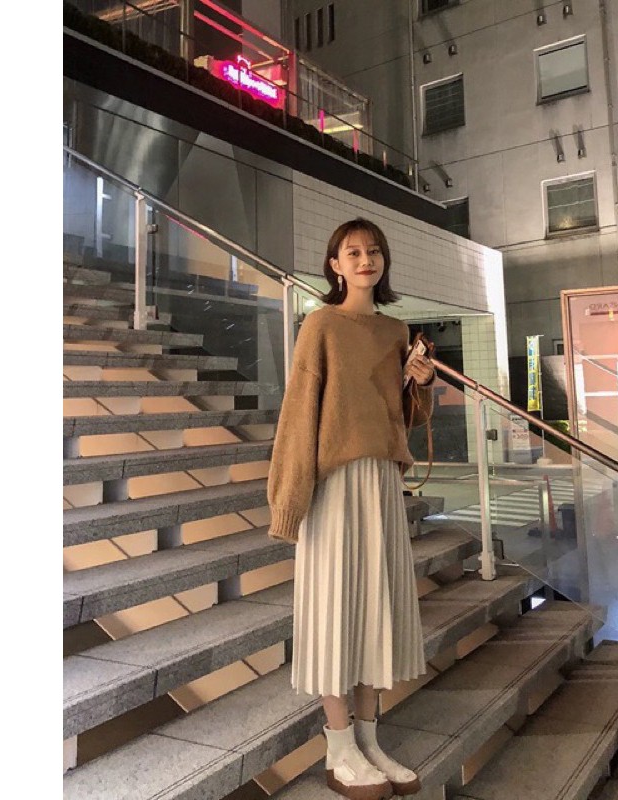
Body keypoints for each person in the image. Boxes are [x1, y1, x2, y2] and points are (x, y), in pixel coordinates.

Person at [267, 218, 436, 800]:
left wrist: (420, 383)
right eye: (353, 251)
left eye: (374, 251)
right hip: (334, 483)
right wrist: (289, 501)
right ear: (335, 264)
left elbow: (404, 416)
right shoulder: (320, 325)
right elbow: (299, 415)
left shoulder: (396, 330)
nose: (366, 259)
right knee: (335, 609)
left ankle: (368, 740)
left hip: (382, 480)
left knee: (375, 609)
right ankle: (338, 747)